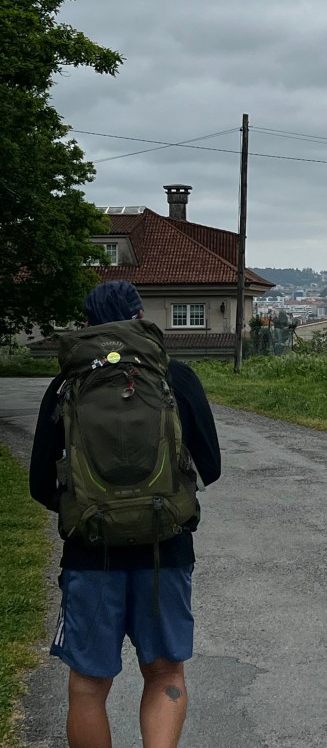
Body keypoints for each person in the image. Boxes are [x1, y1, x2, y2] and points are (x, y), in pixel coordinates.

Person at [29, 280, 221, 748]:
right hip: (165, 550)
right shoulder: (176, 377)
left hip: (90, 554)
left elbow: (39, 484)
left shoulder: (66, 385)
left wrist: (89, 507)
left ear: (88, 324)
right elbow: (211, 467)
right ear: (140, 317)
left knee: (88, 685)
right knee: (165, 673)